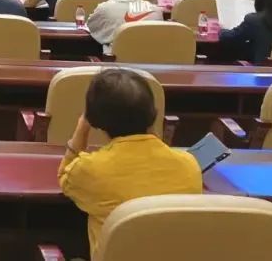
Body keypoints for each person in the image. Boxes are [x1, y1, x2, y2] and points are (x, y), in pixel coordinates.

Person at [58, 69, 202, 258]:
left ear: (94, 118)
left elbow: (64, 176)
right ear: (153, 113)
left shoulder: (90, 169)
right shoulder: (189, 165)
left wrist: (82, 126)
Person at [86, 0, 162, 53]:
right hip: (151, 59)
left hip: (116, 60)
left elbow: (90, 27)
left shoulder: (104, 9)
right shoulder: (156, 10)